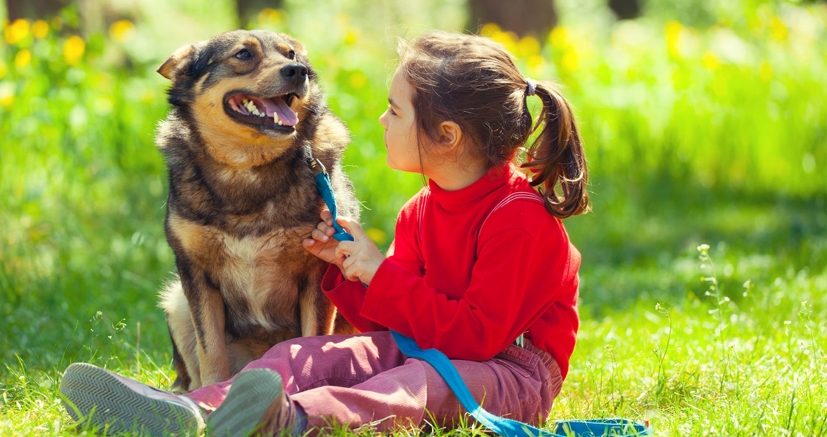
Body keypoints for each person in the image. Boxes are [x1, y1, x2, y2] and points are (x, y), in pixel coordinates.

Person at [60, 30, 588, 436]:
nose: (381, 120)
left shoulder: (518, 219)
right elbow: (394, 317)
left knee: (408, 387)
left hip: (508, 372)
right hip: (431, 347)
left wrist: (379, 273)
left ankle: (290, 420)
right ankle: (194, 409)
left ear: (446, 136)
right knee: (310, 355)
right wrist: (344, 269)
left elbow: (477, 338)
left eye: (394, 110)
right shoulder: (421, 209)